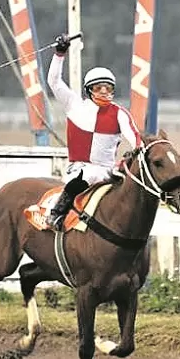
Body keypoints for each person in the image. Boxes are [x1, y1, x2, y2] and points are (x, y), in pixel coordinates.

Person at [45, 33, 143, 231]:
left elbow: (134, 138)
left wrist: (138, 149)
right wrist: (59, 53)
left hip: (108, 170)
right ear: (89, 90)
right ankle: (56, 213)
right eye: (100, 88)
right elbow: (54, 82)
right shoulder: (74, 104)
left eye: (109, 88)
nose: (105, 92)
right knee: (85, 178)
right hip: (80, 169)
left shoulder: (119, 113)